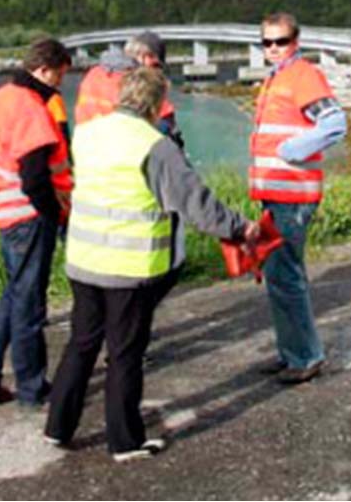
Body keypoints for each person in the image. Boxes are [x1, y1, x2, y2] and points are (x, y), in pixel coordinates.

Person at [45, 67, 260, 461]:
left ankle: (58, 426)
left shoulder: (89, 133)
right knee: (125, 353)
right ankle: (125, 442)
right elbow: (197, 205)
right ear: (158, 104)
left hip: (83, 259)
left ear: (122, 94)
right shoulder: (155, 146)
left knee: (81, 343)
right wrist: (239, 227)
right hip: (128, 267)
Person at [0, 38, 73, 406]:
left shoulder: (1, 97)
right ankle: (32, 388)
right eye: (60, 76)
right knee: (30, 306)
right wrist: (52, 212)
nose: (60, 84)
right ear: (44, 70)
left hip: (4, 209)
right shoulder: (31, 107)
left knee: (14, 294)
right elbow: (34, 176)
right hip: (28, 215)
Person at [249, 12, 347, 384]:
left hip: (292, 195)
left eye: (281, 41)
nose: (274, 49)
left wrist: (292, 150)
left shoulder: (303, 75)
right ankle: (292, 352)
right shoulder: (276, 78)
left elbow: (335, 122)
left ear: (296, 41)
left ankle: (305, 356)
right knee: (280, 275)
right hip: (276, 194)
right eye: (267, 42)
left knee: (286, 276)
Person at [74, 31, 176, 134]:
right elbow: (166, 122)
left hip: (84, 145)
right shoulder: (140, 83)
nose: (156, 72)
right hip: (124, 146)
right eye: (155, 66)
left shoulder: (92, 74)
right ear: (146, 56)